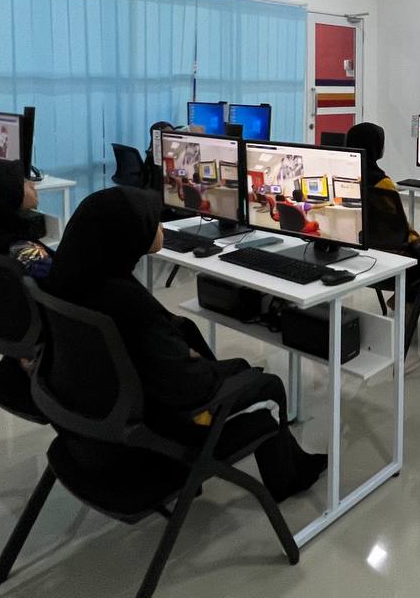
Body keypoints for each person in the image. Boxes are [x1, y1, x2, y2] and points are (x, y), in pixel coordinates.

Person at [43, 187, 326, 500]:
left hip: (93, 429)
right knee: (265, 385)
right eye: (154, 223)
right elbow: (190, 388)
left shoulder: (74, 281)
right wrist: (204, 366)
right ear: (128, 236)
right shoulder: (128, 305)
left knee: (206, 343)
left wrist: (178, 350)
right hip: (147, 441)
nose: (162, 227)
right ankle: (288, 479)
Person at [346, 122, 420, 308]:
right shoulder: (382, 182)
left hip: (360, 244)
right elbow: (400, 225)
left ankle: (402, 300)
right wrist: (419, 240)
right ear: (375, 147)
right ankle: (406, 306)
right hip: (386, 249)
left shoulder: (346, 176)